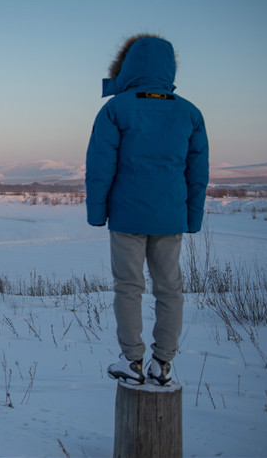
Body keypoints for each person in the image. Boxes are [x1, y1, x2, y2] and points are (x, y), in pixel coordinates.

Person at [85, 34, 209, 386]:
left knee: (129, 287)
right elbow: (198, 174)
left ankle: (132, 361)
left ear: (128, 66)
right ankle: (163, 364)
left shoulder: (115, 109)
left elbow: (99, 167)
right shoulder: (190, 112)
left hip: (126, 217)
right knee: (170, 289)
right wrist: (192, 218)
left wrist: (97, 213)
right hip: (170, 217)